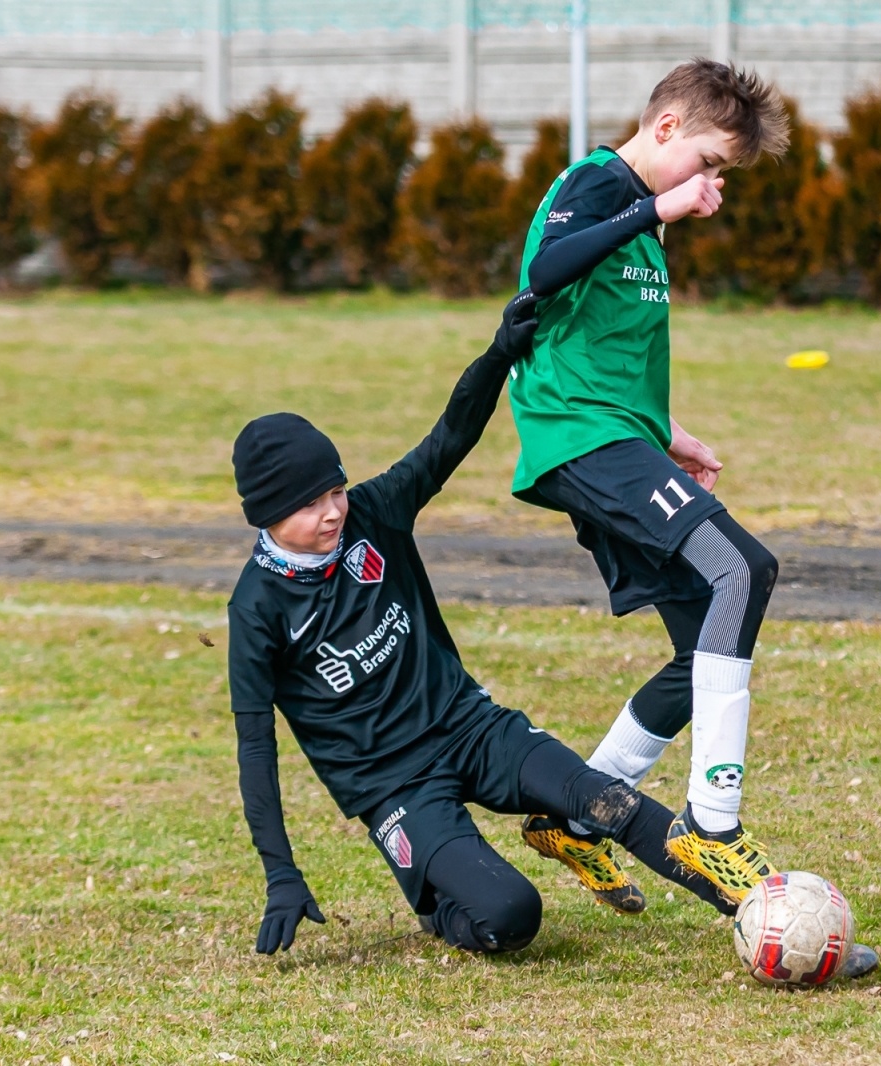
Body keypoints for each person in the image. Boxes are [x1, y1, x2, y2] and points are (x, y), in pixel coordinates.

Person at [227, 292, 736, 957]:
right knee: (509, 914)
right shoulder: (257, 609)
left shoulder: (371, 516)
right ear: (266, 516)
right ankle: (440, 900)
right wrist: (280, 872)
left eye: (335, 491)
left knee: (606, 800)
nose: (330, 512)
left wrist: (499, 354)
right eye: (307, 503)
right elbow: (255, 748)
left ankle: (750, 903)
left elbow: (449, 438)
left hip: (472, 728)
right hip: (395, 787)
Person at [505, 58, 792, 908]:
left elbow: (604, 346)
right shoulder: (597, 183)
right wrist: (656, 206)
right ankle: (714, 826)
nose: (711, 185)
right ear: (666, 128)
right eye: (707, 162)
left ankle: (574, 815)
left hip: (619, 438)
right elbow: (545, 272)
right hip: (579, 439)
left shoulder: (642, 223)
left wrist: (667, 433)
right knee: (745, 570)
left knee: (704, 632)